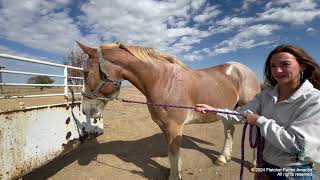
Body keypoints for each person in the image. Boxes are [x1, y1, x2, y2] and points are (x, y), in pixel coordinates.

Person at [196, 44, 320, 180]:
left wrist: (258, 121)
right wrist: (214, 110)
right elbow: (242, 114)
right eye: (273, 66)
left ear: (302, 66)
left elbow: (299, 148)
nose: (278, 70)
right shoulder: (265, 96)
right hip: (265, 164)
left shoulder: (314, 100)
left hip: (295, 171)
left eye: (285, 64)